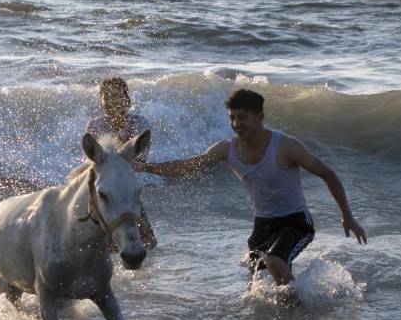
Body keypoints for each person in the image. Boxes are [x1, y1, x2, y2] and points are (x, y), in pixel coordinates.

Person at [140, 88, 366, 290]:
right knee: (256, 285)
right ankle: (282, 312)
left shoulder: (285, 146)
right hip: (262, 225)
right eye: (232, 118)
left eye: (243, 117)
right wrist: (145, 167)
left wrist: (347, 216)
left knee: (275, 262)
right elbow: (187, 166)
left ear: (260, 117)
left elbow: (328, 174)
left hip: (296, 222)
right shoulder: (226, 149)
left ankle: (298, 314)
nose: (237, 124)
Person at [86, 77, 157, 249]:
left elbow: (139, 160)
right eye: (107, 97)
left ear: (128, 100)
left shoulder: (139, 123)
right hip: (102, 187)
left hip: (126, 185)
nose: (112, 101)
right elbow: (93, 161)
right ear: (101, 103)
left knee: (149, 243)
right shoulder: (94, 125)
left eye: (117, 96)